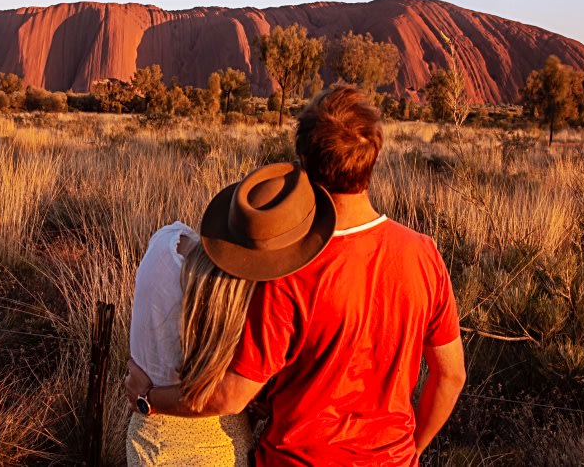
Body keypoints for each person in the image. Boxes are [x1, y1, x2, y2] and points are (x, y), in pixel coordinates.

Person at [127, 86, 465, 465]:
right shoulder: (424, 254)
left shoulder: (288, 271)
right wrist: (411, 450)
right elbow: (451, 376)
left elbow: (232, 396)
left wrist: (149, 399)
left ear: (303, 162)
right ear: (373, 157)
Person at [126, 161, 336, 466]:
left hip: (149, 437)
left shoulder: (165, 242)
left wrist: (147, 396)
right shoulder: (255, 305)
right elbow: (234, 396)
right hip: (223, 443)